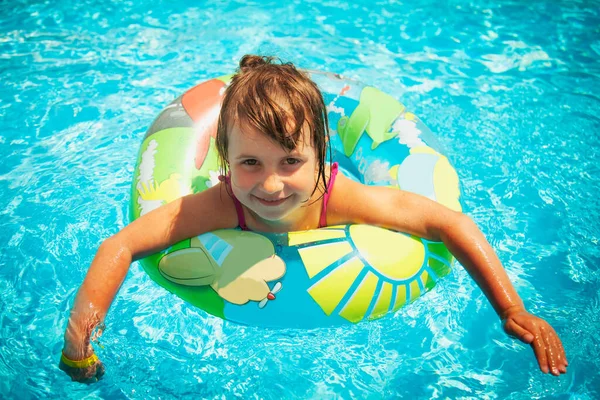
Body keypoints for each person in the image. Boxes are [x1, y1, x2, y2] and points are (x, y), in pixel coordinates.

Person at [60, 54, 568, 383]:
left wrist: (511, 309)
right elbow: (118, 247)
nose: (271, 185)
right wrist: (79, 341)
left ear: (322, 157)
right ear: (223, 161)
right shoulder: (218, 204)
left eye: (291, 161)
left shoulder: (337, 195)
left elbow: (448, 224)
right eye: (249, 163)